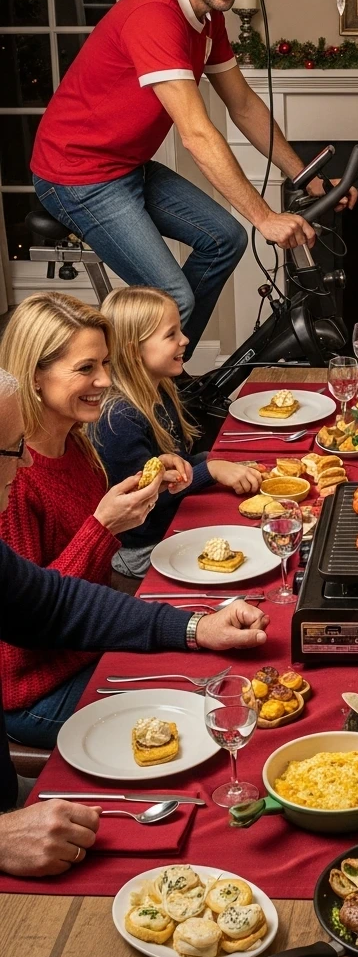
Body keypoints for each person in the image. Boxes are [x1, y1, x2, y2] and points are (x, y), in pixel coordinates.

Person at [30, 0, 357, 356]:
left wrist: (305, 176)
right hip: (78, 175)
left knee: (224, 240)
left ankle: (170, 379)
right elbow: (197, 132)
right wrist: (263, 217)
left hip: (127, 165)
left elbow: (242, 104)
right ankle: (141, 405)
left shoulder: (206, 17)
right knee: (174, 299)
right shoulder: (154, 15)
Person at [0, 364, 269, 877]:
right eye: (13, 449)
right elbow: (18, 662)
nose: (21, 465)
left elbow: (56, 604)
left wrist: (197, 627)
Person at [0, 293, 186, 748]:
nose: (105, 379)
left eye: (104, 363)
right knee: (192, 702)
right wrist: (102, 530)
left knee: (203, 665)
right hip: (36, 692)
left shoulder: (77, 441)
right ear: (35, 376)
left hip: (92, 646)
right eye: (86, 368)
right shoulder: (12, 479)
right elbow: (27, 627)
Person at [91, 286, 262, 579]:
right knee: (252, 551)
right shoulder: (118, 419)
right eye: (171, 335)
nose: (185, 340)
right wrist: (211, 469)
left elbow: (177, 464)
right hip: (141, 548)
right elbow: (147, 500)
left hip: (170, 520)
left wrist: (217, 463)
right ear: (134, 350)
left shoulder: (161, 389)